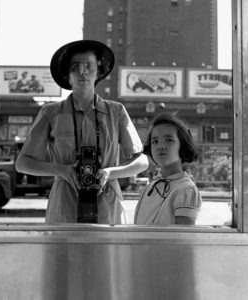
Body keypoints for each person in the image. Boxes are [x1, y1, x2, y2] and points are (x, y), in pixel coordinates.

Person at [15, 40, 149, 224]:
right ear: (68, 75)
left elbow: (142, 161)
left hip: (107, 202)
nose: (83, 71)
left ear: (98, 72)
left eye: (89, 66)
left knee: (107, 253)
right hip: (65, 203)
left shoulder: (116, 111)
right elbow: (22, 163)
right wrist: (61, 170)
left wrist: (110, 173)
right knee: (64, 253)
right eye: (76, 66)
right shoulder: (50, 112)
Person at [134, 112, 202, 225]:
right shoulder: (149, 188)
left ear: (182, 145)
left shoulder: (186, 190)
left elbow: (183, 238)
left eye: (169, 140)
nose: (160, 146)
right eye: (155, 141)